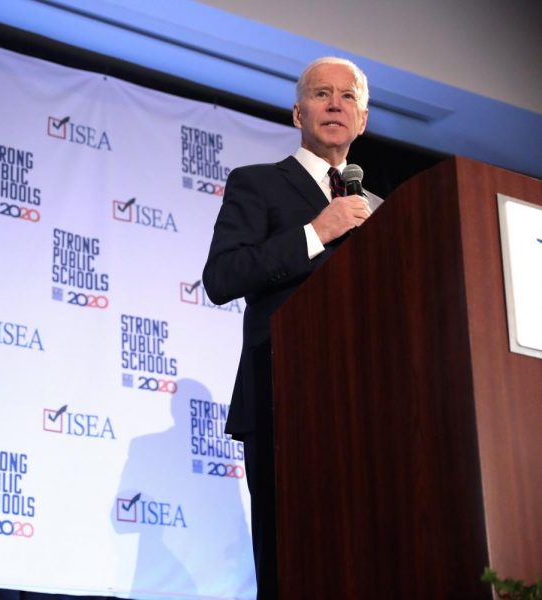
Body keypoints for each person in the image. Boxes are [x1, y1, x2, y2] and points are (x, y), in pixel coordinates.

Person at [202, 56, 382, 599]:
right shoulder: (256, 184)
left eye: (347, 96)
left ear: (363, 120)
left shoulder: (378, 210)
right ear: (298, 112)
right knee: (292, 566)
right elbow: (222, 277)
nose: (335, 103)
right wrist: (315, 232)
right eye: (321, 94)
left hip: (370, 412)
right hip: (284, 401)